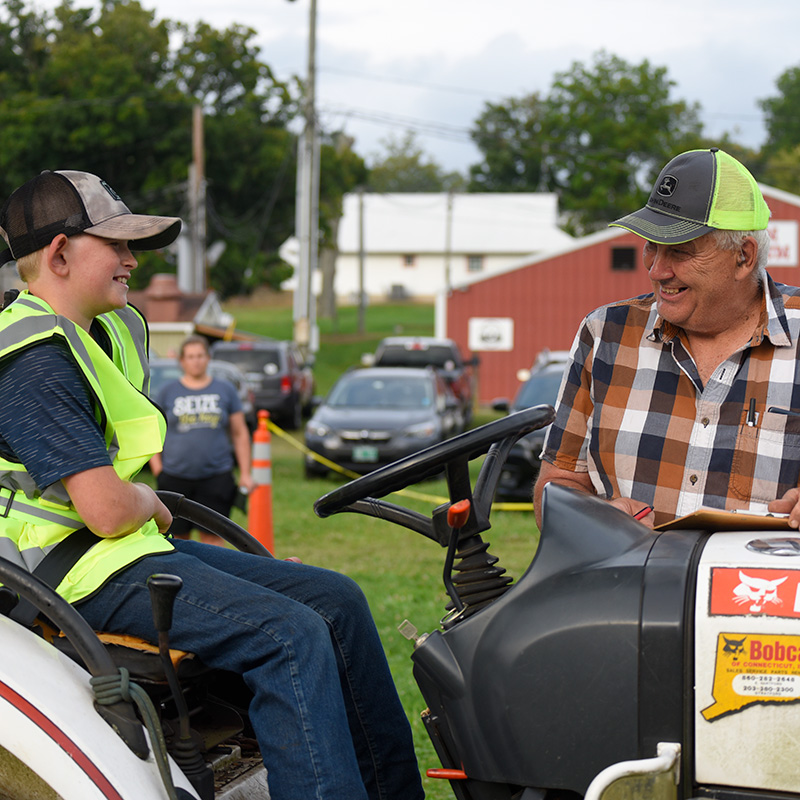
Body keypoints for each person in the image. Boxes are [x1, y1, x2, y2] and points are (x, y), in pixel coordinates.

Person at [0, 169, 424, 800]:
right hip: (62, 572)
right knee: (290, 636)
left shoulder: (106, 330)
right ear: (59, 254)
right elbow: (108, 510)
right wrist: (151, 505)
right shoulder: (32, 360)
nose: (131, 260)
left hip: (118, 552)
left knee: (336, 601)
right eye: (114, 244)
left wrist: (145, 510)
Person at [535, 147, 800, 532]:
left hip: (761, 591)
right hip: (627, 589)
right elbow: (556, 485)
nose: (657, 270)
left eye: (679, 251)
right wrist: (590, 521)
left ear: (744, 257)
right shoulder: (605, 334)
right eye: (651, 246)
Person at [149, 334, 254, 544]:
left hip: (216, 477)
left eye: (200, 355)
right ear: (182, 361)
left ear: (208, 358)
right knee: (176, 540)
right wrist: (157, 469)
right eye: (190, 356)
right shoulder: (167, 392)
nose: (196, 361)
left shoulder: (225, 390)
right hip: (174, 477)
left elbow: (240, 432)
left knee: (214, 538)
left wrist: (245, 473)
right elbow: (153, 432)